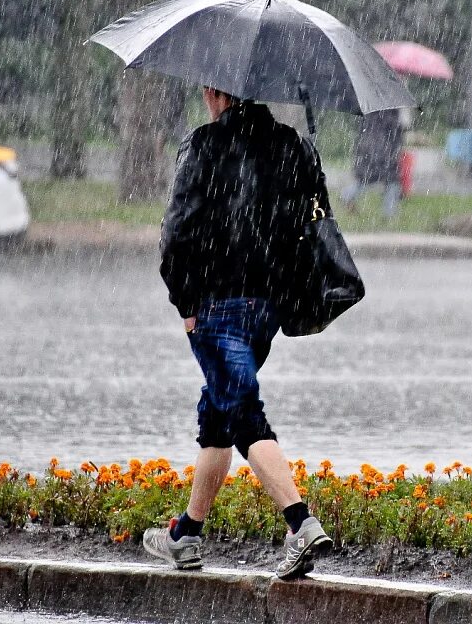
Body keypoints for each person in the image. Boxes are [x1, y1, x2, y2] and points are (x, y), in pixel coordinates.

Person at [145, 86, 333, 579]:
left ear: (214, 91)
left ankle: (301, 523)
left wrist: (187, 306)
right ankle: (185, 535)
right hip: (268, 307)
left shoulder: (204, 144)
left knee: (244, 414)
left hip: (216, 306)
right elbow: (310, 225)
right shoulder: (293, 146)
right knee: (219, 411)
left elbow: (176, 234)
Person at [341, 109, 404, 217]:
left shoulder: (369, 108)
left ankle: (346, 194)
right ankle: (389, 213)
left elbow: (363, 128)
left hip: (367, 147)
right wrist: (401, 127)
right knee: (391, 181)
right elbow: (393, 130)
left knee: (367, 179)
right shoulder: (389, 110)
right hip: (382, 151)